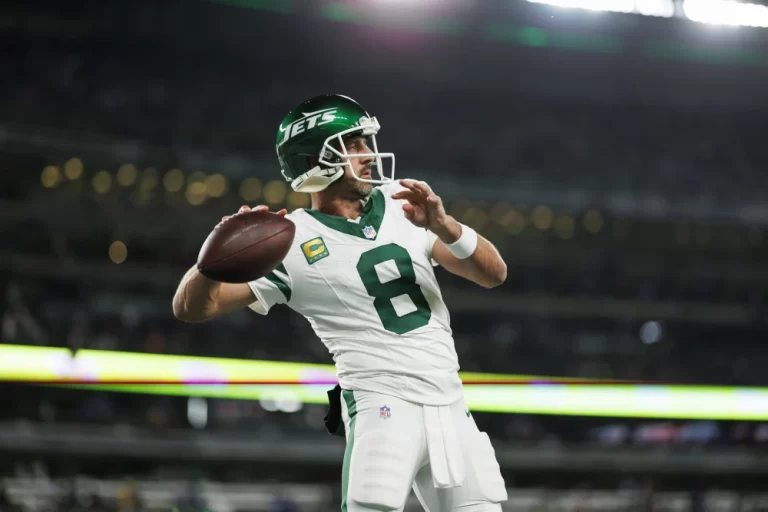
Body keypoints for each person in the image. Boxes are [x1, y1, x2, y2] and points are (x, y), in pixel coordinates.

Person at [173, 94, 509, 511]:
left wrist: (446, 226)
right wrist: (211, 261)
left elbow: (494, 274)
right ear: (316, 158)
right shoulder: (287, 239)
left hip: (451, 404)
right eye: (354, 144)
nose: (368, 154)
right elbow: (191, 308)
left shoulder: (403, 204)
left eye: (367, 143)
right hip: (382, 405)